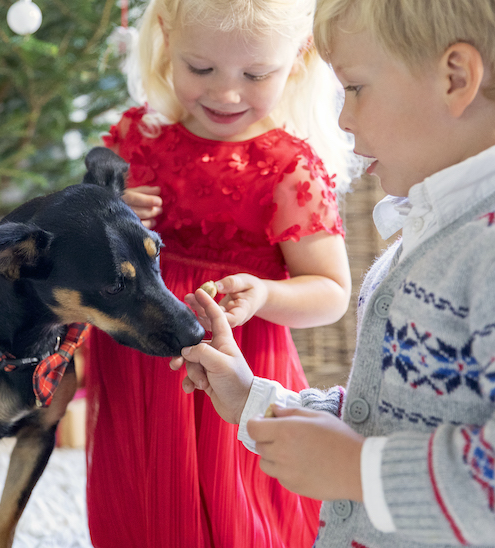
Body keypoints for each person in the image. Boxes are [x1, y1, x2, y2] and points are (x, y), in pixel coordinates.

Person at [173, 0, 495, 546]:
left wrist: (358, 470)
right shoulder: (425, 236)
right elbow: (386, 416)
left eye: (356, 88)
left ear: (455, 78)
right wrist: (255, 398)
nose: (343, 118)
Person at [84, 0, 356, 546]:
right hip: (138, 351)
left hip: (233, 360)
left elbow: (332, 292)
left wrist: (265, 294)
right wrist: (107, 216)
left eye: (255, 75)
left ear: (297, 60)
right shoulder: (136, 136)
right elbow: (79, 237)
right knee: (134, 491)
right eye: (201, 68)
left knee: (239, 506)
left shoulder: (289, 165)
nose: (225, 93)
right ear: (165, 39)